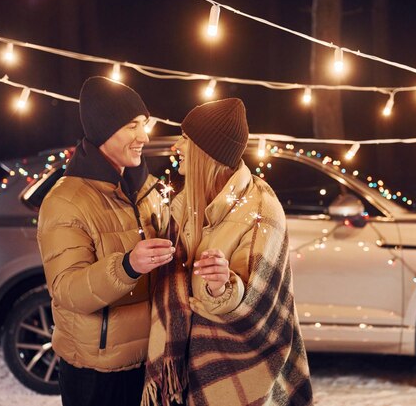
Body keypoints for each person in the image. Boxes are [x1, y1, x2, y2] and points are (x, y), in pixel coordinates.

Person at [142, 98, 313, 406]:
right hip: (187, 374)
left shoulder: (262, 209)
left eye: (186, 139)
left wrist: (222, 286)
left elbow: (260, 306)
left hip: (244, 373)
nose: (177, 147)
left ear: (208, 152)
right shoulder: (185, 205)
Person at [37, 76, 175, 406]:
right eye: (132, 126)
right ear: (103, 131)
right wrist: (128, 266)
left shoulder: (148, 190)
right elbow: (68, 291)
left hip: (151, 361)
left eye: (144, 124)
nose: (144, 136)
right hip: (99, 375)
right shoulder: (66, 201)